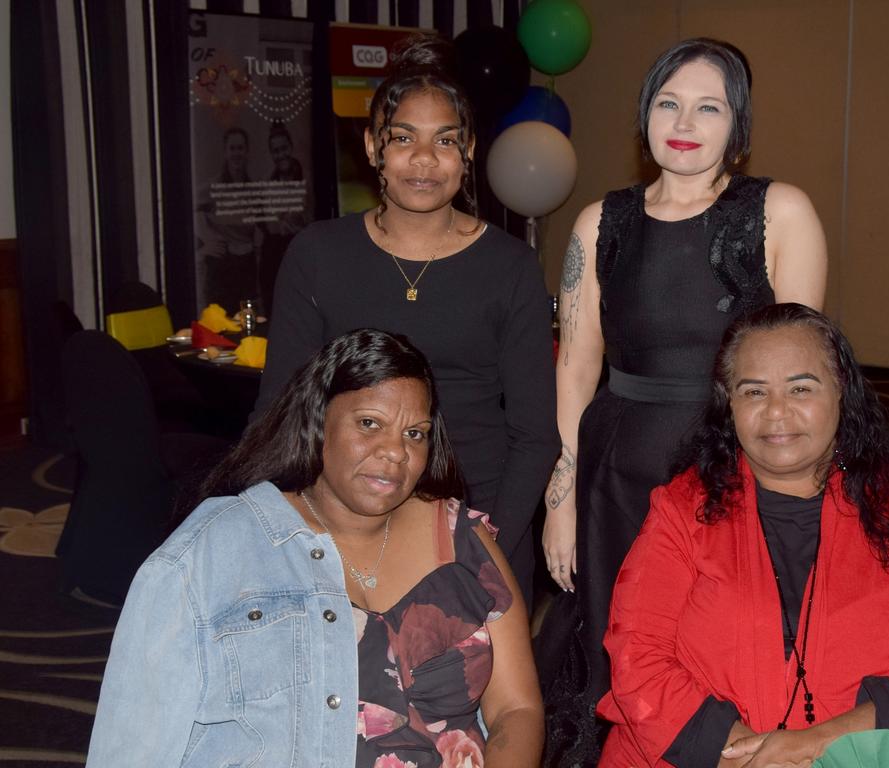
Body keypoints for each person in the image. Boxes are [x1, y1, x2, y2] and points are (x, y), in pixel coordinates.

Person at [539, 38, 828, 764]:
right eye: (669, 102)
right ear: (645, 116)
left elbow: (800, 378)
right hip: (615, 474)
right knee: (617, 645)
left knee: (728, 646)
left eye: (710, 107)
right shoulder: (598, 222)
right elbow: (576, 366)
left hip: (733, 471)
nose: (686, 121)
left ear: (739, 124)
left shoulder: (780, 212)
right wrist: (562, 494)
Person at [86, 329, 544, 767]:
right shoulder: (211, 553)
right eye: (370, 424)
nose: (395, 452)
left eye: (414, 433)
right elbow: (131, 747)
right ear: (317, 422)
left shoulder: (463, 538)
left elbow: (516, 710)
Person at [598, 303, 889, 767]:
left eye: (800, 388)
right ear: (728, 404)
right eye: (754, 391)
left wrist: (821, 745)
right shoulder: (682, 509)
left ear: (841, 393)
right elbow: (638, 657)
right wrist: (745, 758)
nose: (776, 411)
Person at [255, 35, 559, 606]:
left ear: (468, 149)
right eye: (403, 139)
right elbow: (279, 411)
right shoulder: (318, 255)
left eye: (445, 140)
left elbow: (535, 434)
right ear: (373, 148)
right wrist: (279, 521)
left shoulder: (510, 265)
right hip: (345, 515)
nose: (424, 160)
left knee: (470, 694)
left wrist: (485, 538)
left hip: (479, 513)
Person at [195, 126, 260, 311]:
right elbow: (192, 210)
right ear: (225, 152)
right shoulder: (213, 186)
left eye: (240, 148)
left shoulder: (254, 188)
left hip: (247, 268)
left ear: (247, 151)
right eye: (232, 148)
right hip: (221, 270)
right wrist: (206, 241)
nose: (236, 153)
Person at [260, 121, 309, 312]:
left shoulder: (308, 177)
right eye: (275, 151)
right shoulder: (268, 184)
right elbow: (272, 226)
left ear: (291, 147)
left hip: (306, 255)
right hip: (275, 256)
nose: (280, 155)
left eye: (283, 148)